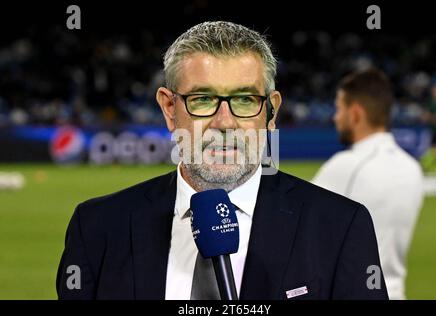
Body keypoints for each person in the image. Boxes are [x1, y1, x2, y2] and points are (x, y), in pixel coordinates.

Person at [57, 21, 388, 300]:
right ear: (170, 109)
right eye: (203, 99)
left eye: (245, 100)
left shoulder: (340, 226)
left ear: (271, 110)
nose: (225, 122)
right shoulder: (97, 227)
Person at [312, 68, 424, 300]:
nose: (335, 117)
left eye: (339, 108)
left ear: (355, 114)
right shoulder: (412, 168)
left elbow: (294, 226)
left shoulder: (346, 166)